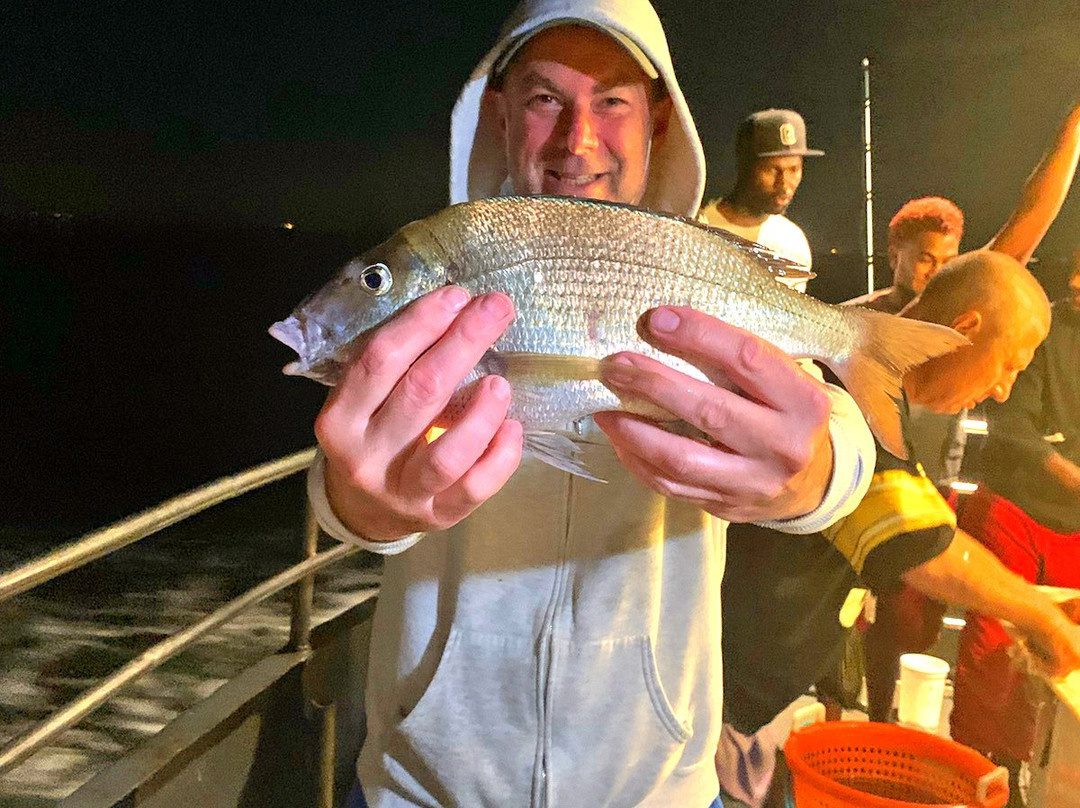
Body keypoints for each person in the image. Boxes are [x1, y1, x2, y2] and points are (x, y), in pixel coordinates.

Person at [313, 1, 876, 807]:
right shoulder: (450, 257)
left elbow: (840, 441)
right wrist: (359, 503)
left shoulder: (692, 264)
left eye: (611, 101)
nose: (577, 141)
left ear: (657, 120)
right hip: (425, 788)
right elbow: (337, 482)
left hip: (656, 789)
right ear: (498, 114)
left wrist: (809, 472)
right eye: (545, 98)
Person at [717, 251, 1080, 808]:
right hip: (718, 705)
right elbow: (921, 546)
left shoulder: (888, 401)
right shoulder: (849, 393)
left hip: (752, 702)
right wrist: (1046, 621)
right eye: (1010, 364)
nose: (1004, 390)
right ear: (965, 330)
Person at [949, 251, 1080, 805]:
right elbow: (1011, 425)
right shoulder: (1047, 331)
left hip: (1074, 525)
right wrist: (1070, 474)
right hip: (1015, 509)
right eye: (1074, 267)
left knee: (1061, 660)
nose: (1074, 280)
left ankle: (1039, 769)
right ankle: (980, 767)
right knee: (994, 644)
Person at [699, 109, 822, 290]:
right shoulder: (699, 227)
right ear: (745, 165)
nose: (785, 185)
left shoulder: (791, 242)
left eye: (794, 169)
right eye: (772, 170)